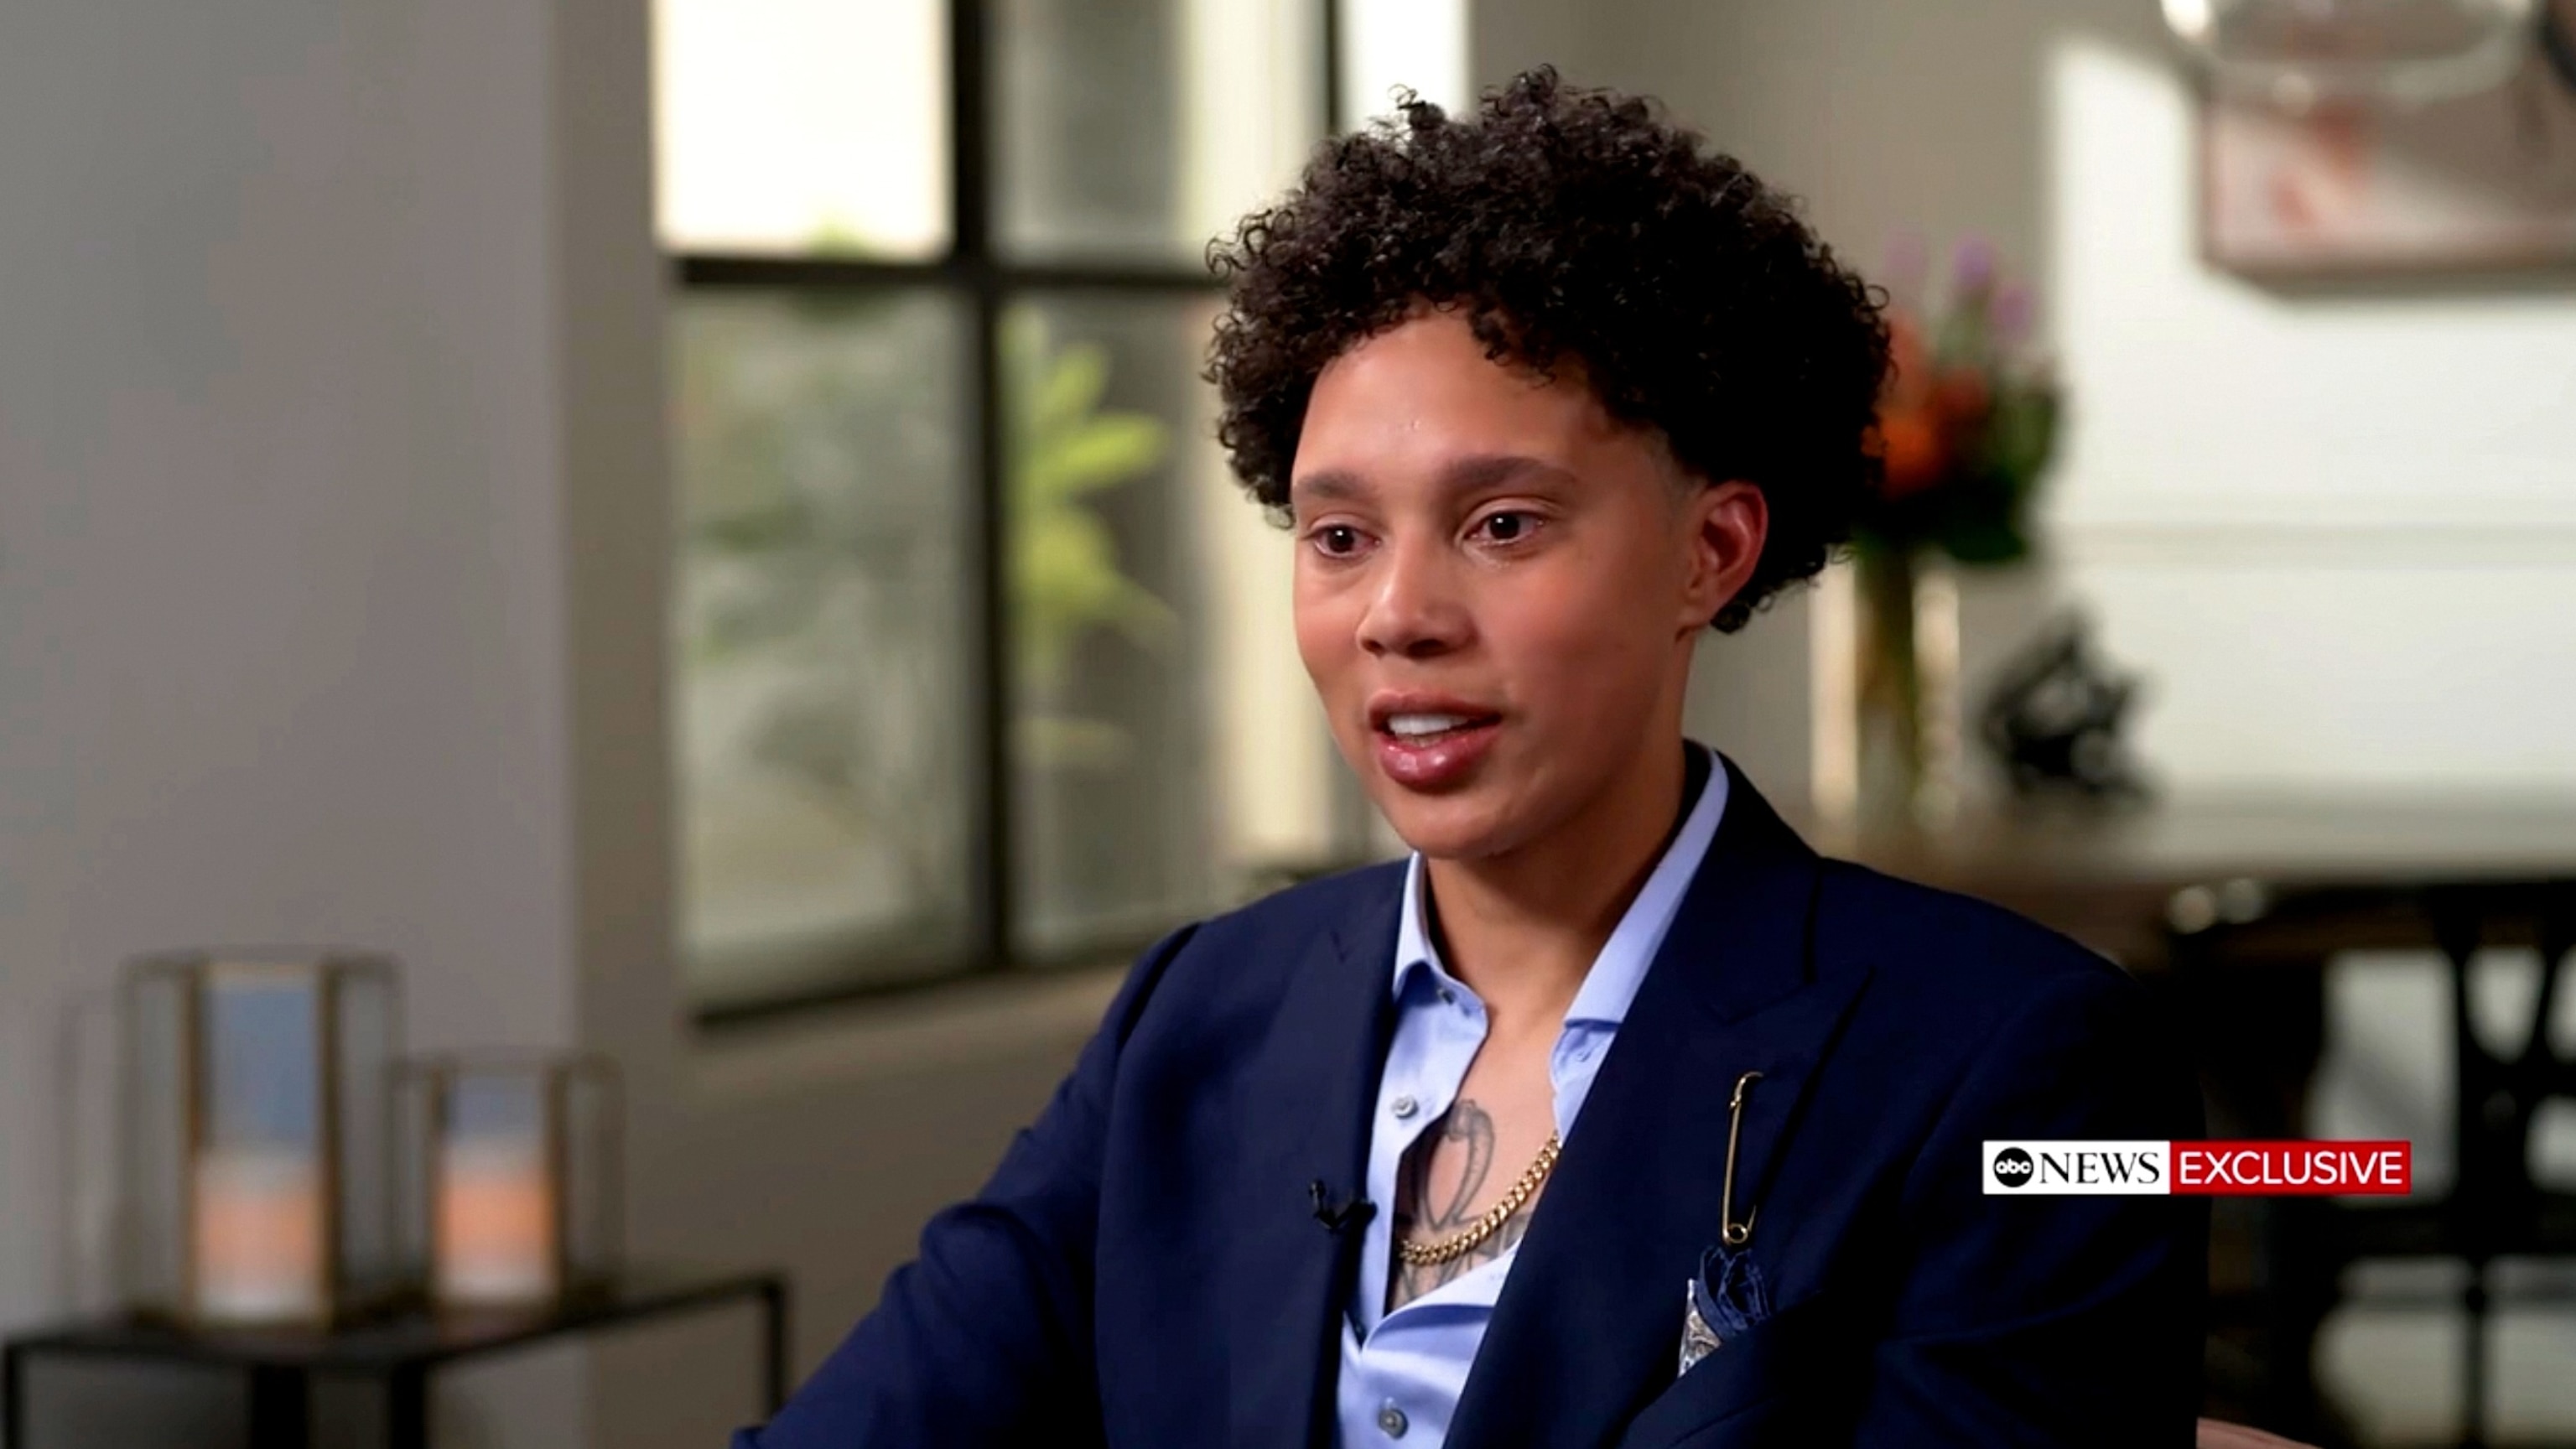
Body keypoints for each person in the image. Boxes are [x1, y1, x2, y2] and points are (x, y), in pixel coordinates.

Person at [735, 69, 2206, 1448]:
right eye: (1338, 537)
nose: (1399, 617)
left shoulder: (2010, 1065)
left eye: (1504, 524)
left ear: (1711, 551)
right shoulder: (1194, 1021)